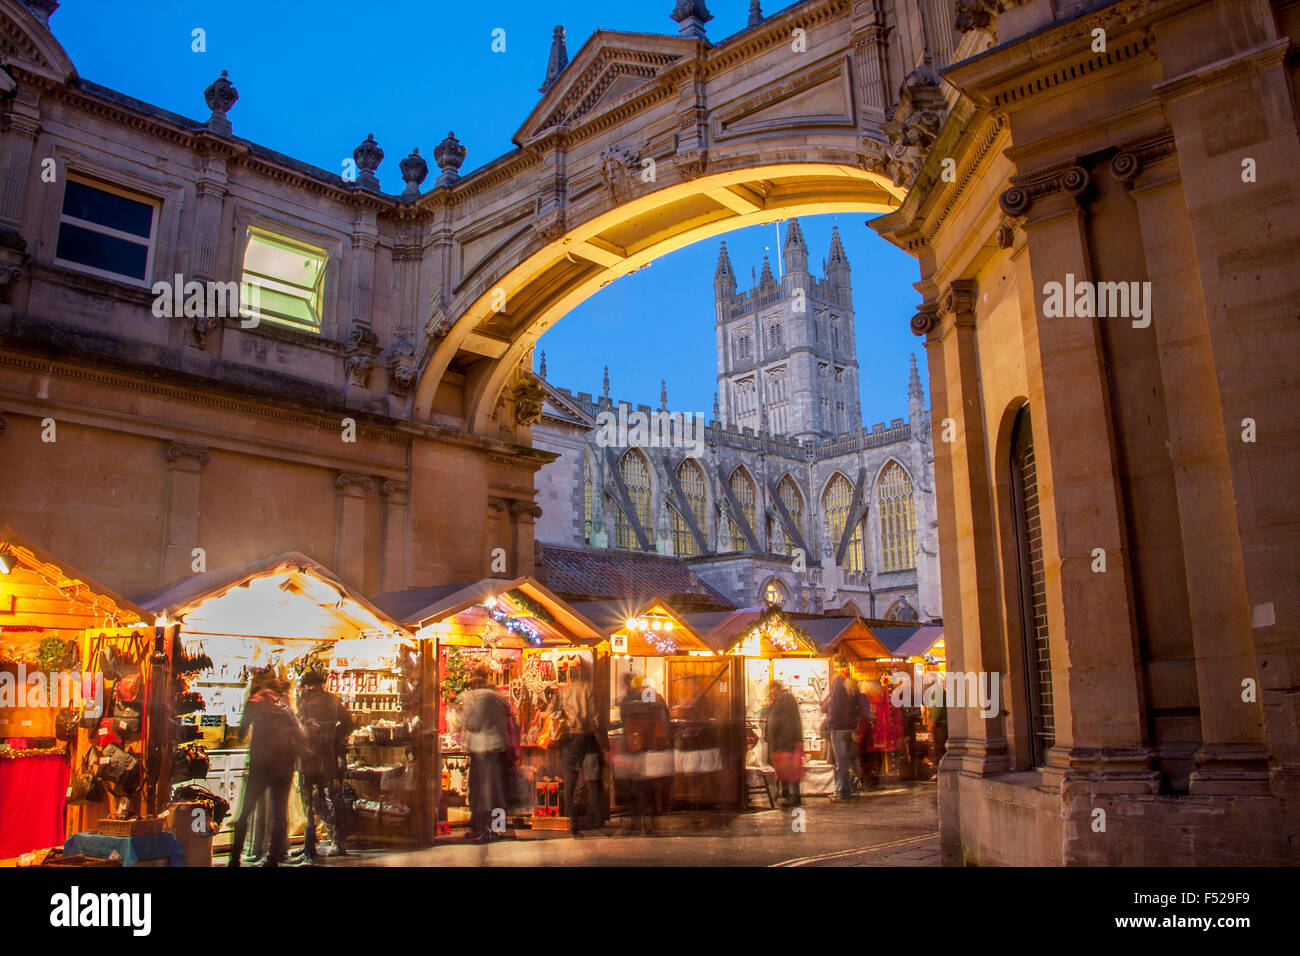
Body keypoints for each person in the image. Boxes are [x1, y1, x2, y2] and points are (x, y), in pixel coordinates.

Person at [228, 678, 303, 867]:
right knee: (280, 815)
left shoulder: (256, 699)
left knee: (245, 812)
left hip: (261, 765)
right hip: (285, 765)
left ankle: (234, 859)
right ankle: (272, 859)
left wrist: (237, 735)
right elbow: (299, 732)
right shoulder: (284, 703)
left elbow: (241, 731)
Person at [292, 667, 352, 862]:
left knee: (313, 801)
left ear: (312, 686)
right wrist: (335, 736)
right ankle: (329, 842)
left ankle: (315, 845)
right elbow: (348, 723)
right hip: (325, 757)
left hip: (314, 758)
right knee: (326, 800)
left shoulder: (307, 701)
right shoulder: (331, 700)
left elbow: (299, 726)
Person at [456, 666, 513, 844]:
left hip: (480, 749)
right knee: (497, 791)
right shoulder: (498, 697)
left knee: (479, 792)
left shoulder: (472, 698)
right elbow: (509, 713)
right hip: (498, 747)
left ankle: (479, 829)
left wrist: (460, 712)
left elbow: (469, 722)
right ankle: (498, 829)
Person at [550, 661, 606, 836]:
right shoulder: (590, 689)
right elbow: (596, 717)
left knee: (570, 782)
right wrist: (603, 740)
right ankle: (596, 821)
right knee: (593, 780)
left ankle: (573, 822)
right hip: (588, 737)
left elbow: (551, 712)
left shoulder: (563, 691)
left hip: (570, 738)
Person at [618, 673, 672, 834]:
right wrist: (667, 739)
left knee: (636, 784)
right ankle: (653, 819)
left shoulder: (627, 700)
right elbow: (664, 720)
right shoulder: (655, 698)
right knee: (652, 784)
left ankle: (637, 819)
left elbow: (624, 721)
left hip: (634, 746)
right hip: (653, 745)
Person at [764, 680, 803, 807]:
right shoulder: (779, 702)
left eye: (773, 691)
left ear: (778, 689)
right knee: (784, 770)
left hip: (786, 742)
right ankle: (787, 795)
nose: (772, 694)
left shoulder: (786, 700)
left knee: (790, 770)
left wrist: (789, 739)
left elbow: (786, 722)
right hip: (781, 742)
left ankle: (793, 796)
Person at [822, 668, 859, 800]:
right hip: (850, 729)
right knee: (847, 761)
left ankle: (841, 791)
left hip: (838, 729)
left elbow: (830, 709)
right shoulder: (852, 691)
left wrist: (830, 724)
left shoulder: (837, 691)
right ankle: (848, 789)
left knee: (841, 762)